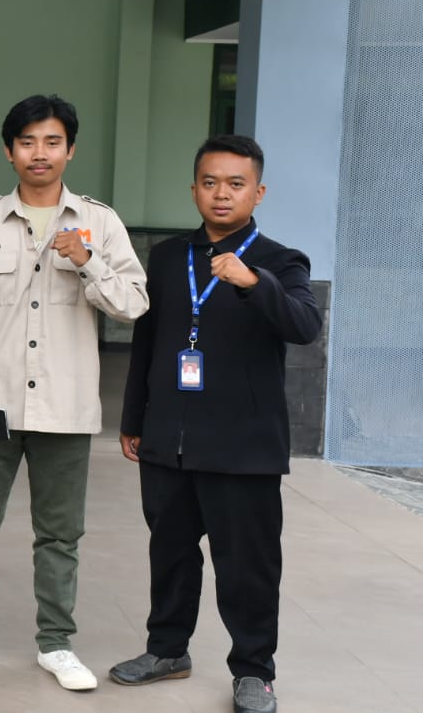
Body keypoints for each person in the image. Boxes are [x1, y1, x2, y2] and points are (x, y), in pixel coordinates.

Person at [0, 94, 149, 690]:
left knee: (59, 536)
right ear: (9, 151)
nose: (39, 153)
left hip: (65, 407)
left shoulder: (100, 223)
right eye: (27, 142)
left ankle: (56, 644)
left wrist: (89, 261)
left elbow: (134, 303)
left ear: (70, 150)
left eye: (52, 142)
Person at [109, 135, 320, 713]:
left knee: (247, 568)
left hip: (243, 449)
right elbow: (147, 342)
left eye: (235, 184)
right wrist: (134, 419)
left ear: (258, 192)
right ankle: (166, 650)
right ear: (194, 188)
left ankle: (254, 671)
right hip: (170, 440)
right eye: (210, 182)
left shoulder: (281, 261)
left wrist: (254, 283)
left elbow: (304, 326)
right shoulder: (167, 257)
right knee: (170, 554)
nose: (221, 194)